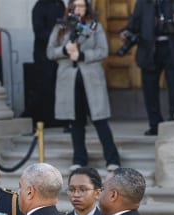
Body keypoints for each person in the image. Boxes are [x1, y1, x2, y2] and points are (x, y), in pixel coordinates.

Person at [47, 0, 121, 172]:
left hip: (91, 78)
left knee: (100, 119)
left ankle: (112, 158)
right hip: (69, 79)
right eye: (76, 6)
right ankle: (79, 158)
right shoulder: (61, 27)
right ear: (70, 8)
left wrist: (82, 55)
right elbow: (50, 51)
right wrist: (64, 51)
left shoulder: (94, 26)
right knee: (76, 121)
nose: (79, 9)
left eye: (82, 6)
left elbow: (103, 50)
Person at [122, 0, 174, 136]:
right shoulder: (143, 2)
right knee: (149, 89)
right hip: (149, 50)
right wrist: (126, 32)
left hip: (173, 48)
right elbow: (134, 22)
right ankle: (155, 124)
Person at [32, 0, 70, 127]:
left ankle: (62, 118)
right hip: (44, 54)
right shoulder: (40, 6)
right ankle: (47, 119)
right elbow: (39, 32)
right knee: (46, 85)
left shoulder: (60, 4)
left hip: (61, 53)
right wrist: (56, 37)